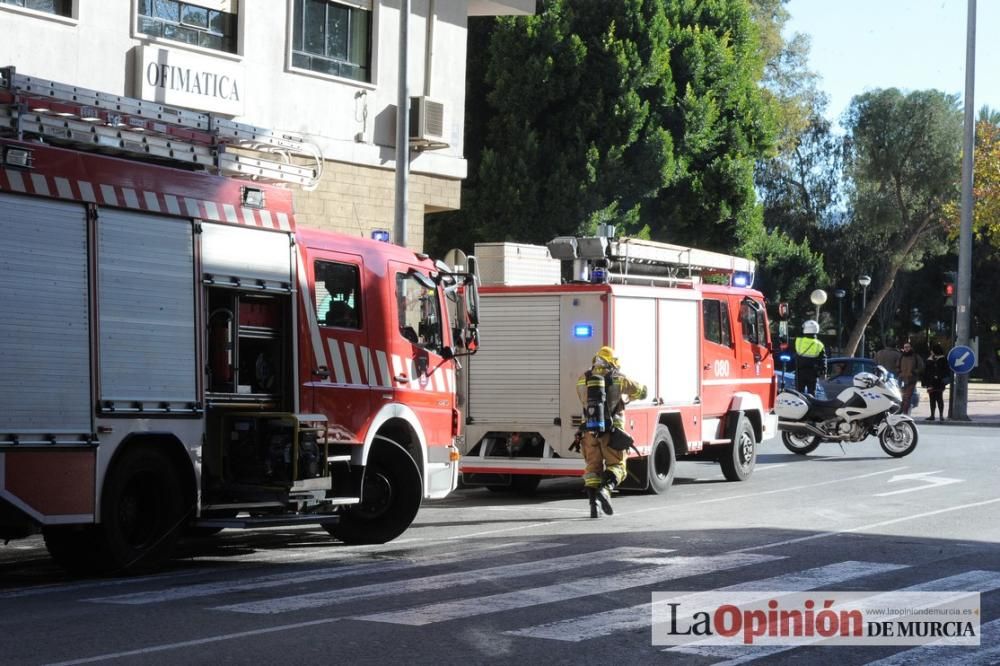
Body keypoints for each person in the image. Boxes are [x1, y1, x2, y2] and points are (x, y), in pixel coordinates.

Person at [576, 346, 647, 519]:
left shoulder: (582, 379)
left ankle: (594, 506)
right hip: (611, 432)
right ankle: (605, 491)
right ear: (613, 362)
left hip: (588, 431)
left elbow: (582, 399)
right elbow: (642, 392)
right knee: (618, 466)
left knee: (592, 469)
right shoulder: (618, 378)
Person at [794, 320, 827, 395]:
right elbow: (823, 360)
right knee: (811, 393)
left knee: (798, 393)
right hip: (813, 373)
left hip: (800, 372)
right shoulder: (820, 344)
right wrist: (823, 372)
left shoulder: (798, 341)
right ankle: (810, 406)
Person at [922, 343, 950, 421]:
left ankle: (940, 415)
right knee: (932, 399)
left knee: (939, 398)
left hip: (939, 382)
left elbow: (945, 370)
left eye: (932, 350)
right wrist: (925, 382)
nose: (931, 352)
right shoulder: (929, 359)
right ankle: (933, 415)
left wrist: (939, 376)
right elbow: (926, 371)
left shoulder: (942, 359)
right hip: (931, 382)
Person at [897, 341, 925, 415]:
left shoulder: (915, 356)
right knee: (902, 396)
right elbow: (897, 366)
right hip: (902, 379)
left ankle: (905, 412)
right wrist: (899, 372)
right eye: (905, 347)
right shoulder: (901, 356)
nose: (906, 348)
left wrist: (914, 372)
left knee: (907, 396)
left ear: (910, 347)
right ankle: (901, 411)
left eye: (907, 347)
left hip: (911, 379)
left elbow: (921, 366)